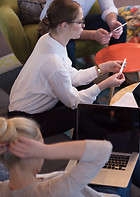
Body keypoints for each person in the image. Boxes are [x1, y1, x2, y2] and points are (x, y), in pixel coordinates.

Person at [0, 116, 140, 197]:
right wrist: (47, 151)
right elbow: (105, 149)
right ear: (33, 152)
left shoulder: (3, 191)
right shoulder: (52, 193)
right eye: (41, 144)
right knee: (130, 157)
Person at [8, 0, 126, 138]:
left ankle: (93, 137)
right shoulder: (54, 63)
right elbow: (74, 102)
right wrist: (105, 84)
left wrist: (103, 68)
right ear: (64, 26)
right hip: (26, 122)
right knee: (85, 110)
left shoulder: (49, 39)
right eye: (80, 22)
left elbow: (72, 76)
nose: (84, 25)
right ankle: (86, 148)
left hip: (28, 106)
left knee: (88, 93)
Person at [40, 0, 127, 66]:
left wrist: (112, 22)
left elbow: (108, 7)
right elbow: (62, 27)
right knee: (67, 44)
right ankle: (71, 83)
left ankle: (117, 72)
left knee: (121, 23)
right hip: (54, 27)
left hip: (78, 20)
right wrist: (92, 35)